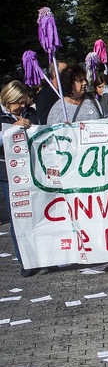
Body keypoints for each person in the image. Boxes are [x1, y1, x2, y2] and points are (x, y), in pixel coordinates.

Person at [0, 81, 40, 276]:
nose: (24, 106)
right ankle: (26, 260)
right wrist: (13, 128)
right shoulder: (1, 117)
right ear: (9, 101)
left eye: (26, 102)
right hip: (8, 175)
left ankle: (43, 256)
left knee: (36, 213)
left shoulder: (30, 114)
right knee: (18, 219)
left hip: (31, 169)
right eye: (20, 103)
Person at [35, 60, 66, 125]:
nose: (69, 74)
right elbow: (44, 121)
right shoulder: (45, 95)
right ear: (55, 75)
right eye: (65, 72)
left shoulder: (66, 92)